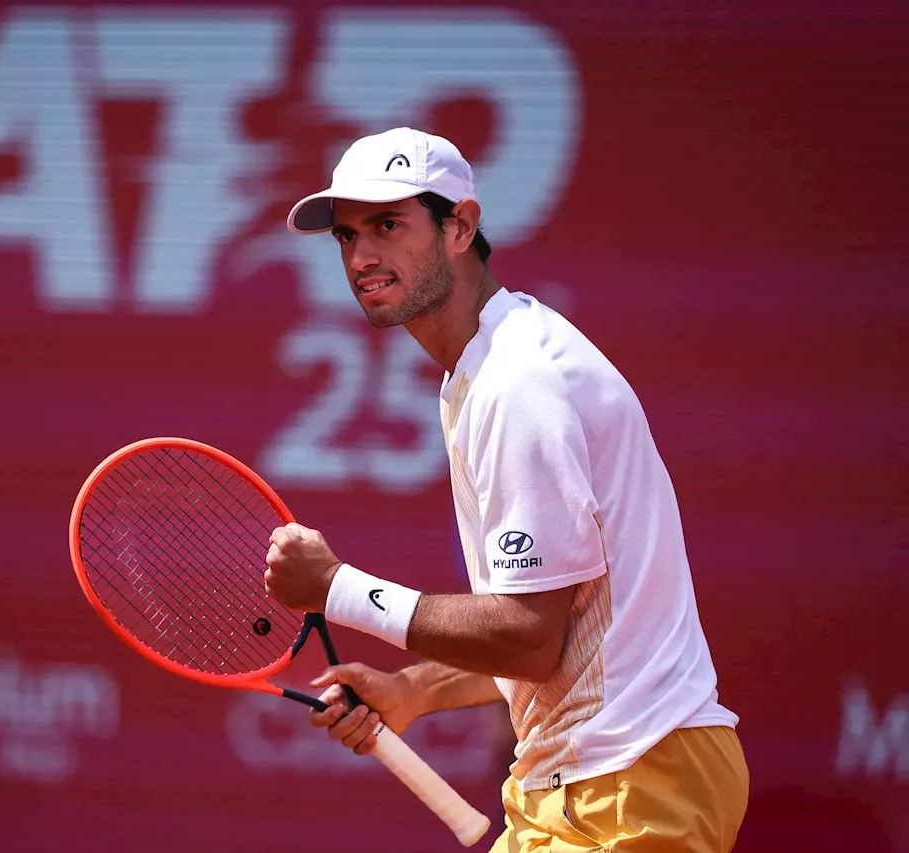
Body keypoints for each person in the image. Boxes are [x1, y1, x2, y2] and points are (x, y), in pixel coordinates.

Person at [262, 127, 749, 851]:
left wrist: (336, 588)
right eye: (346, 235)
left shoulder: (518, 381)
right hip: (602, 780)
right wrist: (413, 691)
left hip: (625, 787)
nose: (361, 257)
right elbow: (568, 634)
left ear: (460, 225)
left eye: (388, 225)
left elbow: (528, 636)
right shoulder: (490, 366)